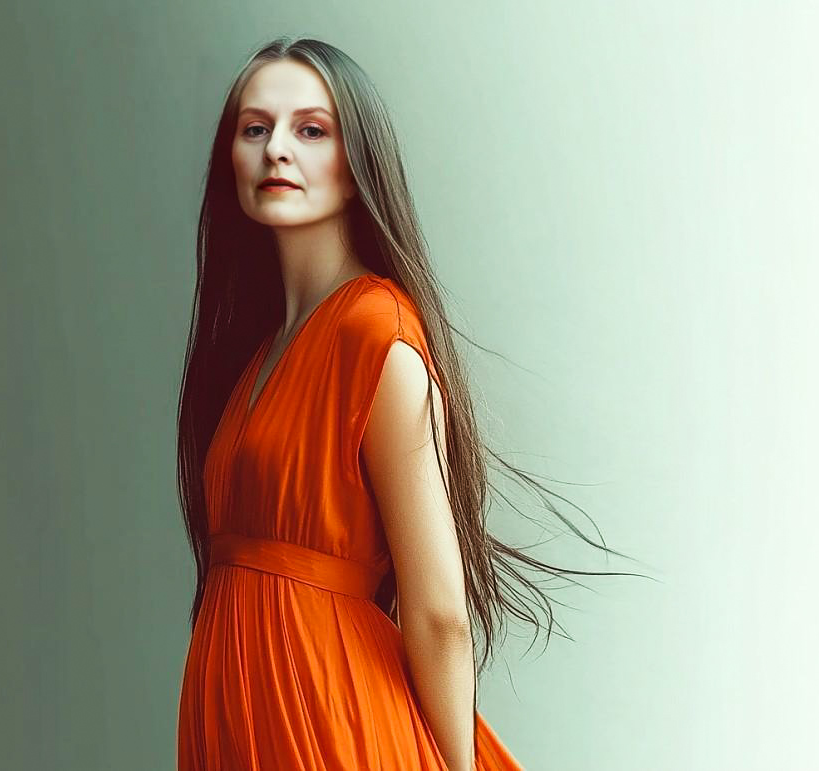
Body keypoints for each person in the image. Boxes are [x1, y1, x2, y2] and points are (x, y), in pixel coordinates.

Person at [176, 36, 637, 770]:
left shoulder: (374, 334)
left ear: (357, 167)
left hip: (330, 720)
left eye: (311, 130)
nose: (277, 151)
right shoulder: (257, 357)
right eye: (255, 128)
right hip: (243, 721)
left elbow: (440, 611)